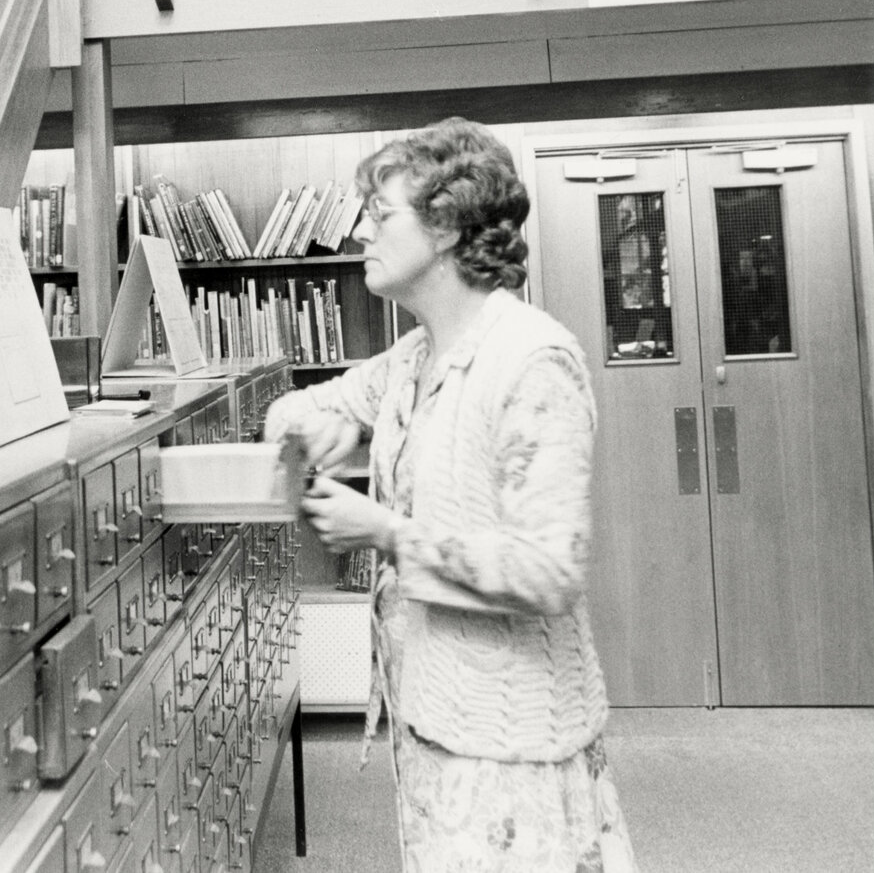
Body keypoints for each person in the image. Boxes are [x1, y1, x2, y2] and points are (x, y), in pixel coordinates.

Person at [263, 119, 637, 873]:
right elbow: (285, 411)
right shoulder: (412, 356)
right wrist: (328, 426)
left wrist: (390, 532)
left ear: (443, 225)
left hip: (514, 740)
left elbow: (548, 570)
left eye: (381, 215)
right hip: (429, 718)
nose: (362, 231)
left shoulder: (532, 359)